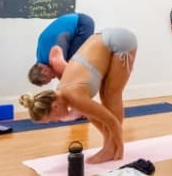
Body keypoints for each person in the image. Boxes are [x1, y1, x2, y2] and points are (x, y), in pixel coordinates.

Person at [19, 28, 138, 164]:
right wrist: (107, 138)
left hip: (120, 41)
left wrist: (119, 148)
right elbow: (95, 116)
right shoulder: (62, 93)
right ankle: (109, 147)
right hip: (105, 38)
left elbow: (112, 121)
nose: (56, 121)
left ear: (55, 107)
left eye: (52, 119)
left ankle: (110, 148)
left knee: (111, 95)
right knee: (105, 94)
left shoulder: (74, 96)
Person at [28, 12, 96, 85]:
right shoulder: (40, 57)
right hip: (73, 18)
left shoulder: (53, 58)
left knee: (74, 64)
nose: (54, 77)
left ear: (44, 71)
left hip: (82, 24)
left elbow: (69, 75)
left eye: (51, 78)